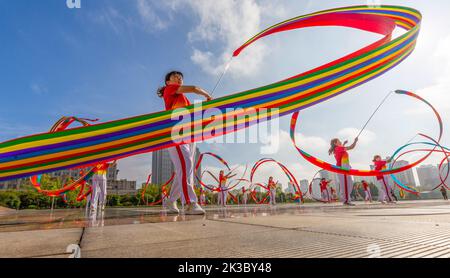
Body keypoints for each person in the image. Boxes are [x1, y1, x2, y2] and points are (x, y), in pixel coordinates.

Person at [157, 71, 212, 215]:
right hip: (176, 134)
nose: (179, 78)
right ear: (168, 82)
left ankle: (171, 200)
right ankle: (190, 203)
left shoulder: (184, 99)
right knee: (186, 165)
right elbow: (194, 88)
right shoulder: (169, 90)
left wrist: (206, 106)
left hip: (188, 136)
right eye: (174, 77)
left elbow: (194, 115)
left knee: (185, 169)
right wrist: (206, 95)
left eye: (180, 77)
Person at [329, 138, 358, 206]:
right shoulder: (338, 148)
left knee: (350, 183)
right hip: (343, 168)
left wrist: (344, 144)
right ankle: (346, 200)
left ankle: (346, 199)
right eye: (338, 141)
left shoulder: (339, 148)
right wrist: (355, 141)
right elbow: (351, 147)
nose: (340, 141)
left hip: (346, 168)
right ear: (335, 143)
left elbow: (342, 149)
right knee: (346, 185)